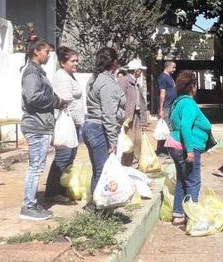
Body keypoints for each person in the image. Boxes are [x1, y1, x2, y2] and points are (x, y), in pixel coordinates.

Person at [20, 36, 65, 220]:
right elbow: (33, 98)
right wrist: (56, 101)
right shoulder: (31, 72)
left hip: (41, 124)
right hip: (36, 125)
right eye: (46, 52)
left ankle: (32, 203)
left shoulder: (38, 72)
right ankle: (28, 206)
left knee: (37, 166)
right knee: (35, 167)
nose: (48, 55)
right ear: (36, 51)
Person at [165, 71, 212, 226]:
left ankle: (178, 215)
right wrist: (190, 150)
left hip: (175, 145)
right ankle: (192, 218)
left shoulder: (178, 103)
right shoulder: (189, 104)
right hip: (186, 148)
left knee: (182, 181)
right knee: (193, 182)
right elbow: (185, 126)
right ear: (192, 85)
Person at [82, 47, 126, 197]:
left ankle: (97, 206)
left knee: (98, 171)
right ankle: (102, 210)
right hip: (99, 129)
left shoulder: (94, 79)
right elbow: (109, 115)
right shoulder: (107, 83)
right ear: (113, 63)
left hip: (91, 126)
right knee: (102, 172)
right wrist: (113, 141)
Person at [45, 47, 84, 201]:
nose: (76, 64)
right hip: (65, 123)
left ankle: (63, 188)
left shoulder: (70, 76)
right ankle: (52, 191)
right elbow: (64, 101)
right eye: (72, 61)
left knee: (70, 157)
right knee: (63, 156)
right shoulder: (62, 78)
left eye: (77, 61)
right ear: (63, 62)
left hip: (73, 124)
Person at [118, 59, 148, 166]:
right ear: (136, 71)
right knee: (129, 141)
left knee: (138, 140)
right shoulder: (124, 81)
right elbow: (120, 99)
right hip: (128, 116)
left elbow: (142, 103)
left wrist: (144, 121)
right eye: (140, 70)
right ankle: (126, 163)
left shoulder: (136, 83)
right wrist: (124, 116)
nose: (141, 72)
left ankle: (135, 162)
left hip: (137, 115)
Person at [156, 60, 177, 155]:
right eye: (173, 67)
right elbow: (162, 93)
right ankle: (162, 151)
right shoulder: (163, 77)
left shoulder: (169, 77)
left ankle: (168, 150)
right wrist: (161, 109)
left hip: (170, 106)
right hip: (165, 107)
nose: (174, 69)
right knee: (164, 128)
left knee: (168, 128)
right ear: (167, 67)